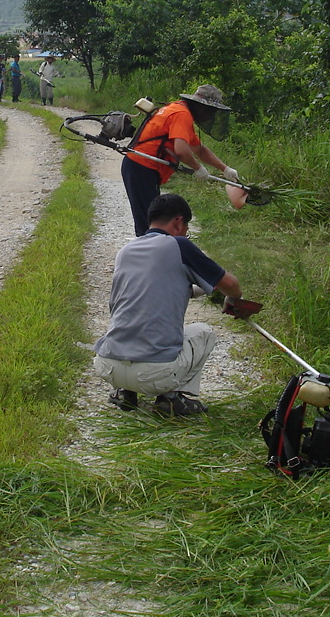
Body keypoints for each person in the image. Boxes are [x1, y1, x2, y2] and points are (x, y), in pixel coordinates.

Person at [92, 193, 245, 416]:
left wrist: (196, 290)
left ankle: (124, 392)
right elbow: (230, 284)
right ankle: (171, 399)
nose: (185, 233)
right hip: (153, 374)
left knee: (129, 321)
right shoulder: (179, 245)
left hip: (108, 366)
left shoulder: (125, 251)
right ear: (178, 222)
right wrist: (233, 298)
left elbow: (146, 291)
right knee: (204, 332)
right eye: (186, 229)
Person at [121, 84, 240, 236]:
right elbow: (181, 150)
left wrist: (225, 169)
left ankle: (154, 247)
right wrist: (198, 168)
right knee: (149, 223)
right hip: (141, 167)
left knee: (152, 219)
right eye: (210, 111)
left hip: (143, 168)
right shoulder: (181, 114)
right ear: (201, 106)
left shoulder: (178, 110)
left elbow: (199, 149)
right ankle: (148, 249)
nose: (210, 115)